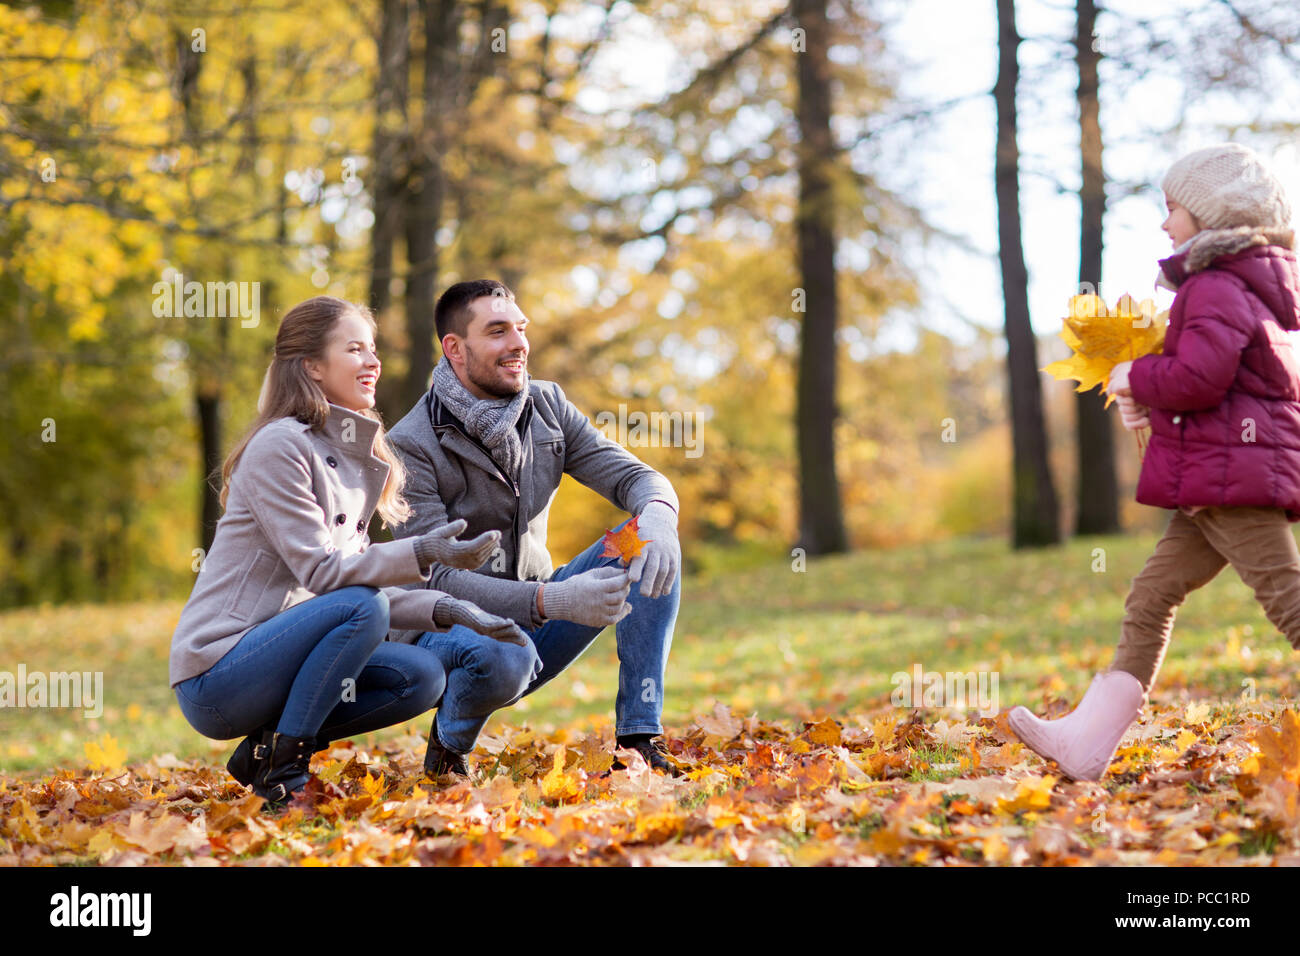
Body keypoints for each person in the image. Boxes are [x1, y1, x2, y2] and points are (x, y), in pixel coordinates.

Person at [1009, 143, 1300, 781]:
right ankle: (1085, 744)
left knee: (1287, 598)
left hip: (1232, 479)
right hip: (1217, 475)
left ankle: (1086, 739)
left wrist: (1134, 374)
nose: (1165, 224)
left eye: (1173, 209)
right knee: (1152, 594)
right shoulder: (1242, 283)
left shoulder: (1218, 284)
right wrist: (1148, 396)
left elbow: (1200, 379)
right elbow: (1224, 384)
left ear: (1215, 214)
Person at [169, 295, 527, 806]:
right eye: (355, 349)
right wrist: (423, 552)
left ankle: (268, 749)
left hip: (281, 660)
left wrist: (454, 610)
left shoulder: (349, 452)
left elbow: (356, 587)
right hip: (218, 672)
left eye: (374, 348)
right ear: (312, 366)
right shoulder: (280, 445)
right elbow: (326, 575)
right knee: (364, 606)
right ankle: (283, 774)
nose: (374, 362)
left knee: (422, 677)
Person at [385, 279, 683, 777]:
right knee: (503, 653)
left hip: (539, 615)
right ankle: (447, 749)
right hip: (448, 635)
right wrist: (554, 601)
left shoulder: (548, 405)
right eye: (497, 331)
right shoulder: (408, 445)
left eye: (520, 329)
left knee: (643, 537)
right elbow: (436, 579)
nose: (518, 343)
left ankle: (638, 740)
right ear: (455, 349)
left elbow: (636, 476)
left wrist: (658, 512)